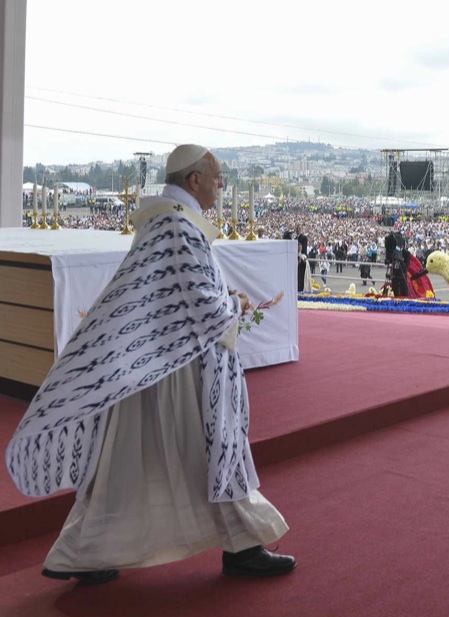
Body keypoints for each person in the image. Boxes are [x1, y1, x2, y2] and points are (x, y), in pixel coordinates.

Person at [5, 144, 295, 585]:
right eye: (216, 177)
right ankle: (242, 547)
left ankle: (84, 553)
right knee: (213, 451)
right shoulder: (177, 226)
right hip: (179, 372)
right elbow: (202, 305)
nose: (221, 185)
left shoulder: (166, 221)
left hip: (158, 364)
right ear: (193, 180)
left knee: (126, 468)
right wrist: (233, 303)